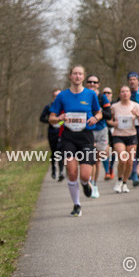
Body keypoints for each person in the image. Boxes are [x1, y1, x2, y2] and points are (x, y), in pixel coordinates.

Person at [47, 66, 103, 216]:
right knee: (72, 172)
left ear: (83, 77)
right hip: (68, 137)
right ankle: (76, 204)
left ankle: (85, 184)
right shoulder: (62, 96)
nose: (77, 76)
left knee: (84, 175)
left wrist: (95, 118)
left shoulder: (90, 94)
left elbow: (99, 113)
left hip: (86, 137)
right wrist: (58, 118)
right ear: (70, 76)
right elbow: (51, 117)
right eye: (75, 74)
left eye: (80, 74)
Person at [109, 85, 139, 193]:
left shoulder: (136, 106)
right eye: (122, 91)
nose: (125, 93)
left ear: (130, 94)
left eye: (127, 91)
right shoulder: (114, 107)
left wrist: (138, 115)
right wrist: (113, 123)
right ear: (119, 94)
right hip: (118, 136)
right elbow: (108, 121)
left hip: (132, 136)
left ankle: (124, 183)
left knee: (129, 162)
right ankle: (119, 181)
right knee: (123, 159)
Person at [83, 74, 109, 198]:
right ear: (86, 83)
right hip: (87, 131)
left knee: (97, 161)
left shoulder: (102, 97)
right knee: (90, 160)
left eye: (95, 82)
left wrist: (97, 112)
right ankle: (87, 181)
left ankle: (94, 184)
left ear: (98, 84)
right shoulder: (82, 95)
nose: (92, 84)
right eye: (90, 82)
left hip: (101, 130)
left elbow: (108, 114)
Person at [39, 88, 65, 181]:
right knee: (54, 152)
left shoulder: (65, 106)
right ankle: (54, 169)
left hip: (62, 131)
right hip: (52, 132)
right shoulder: (49, 106)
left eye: (59, 96)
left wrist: (61, 123)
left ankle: (61, 172)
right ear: (53, 97)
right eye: (55, 96)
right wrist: (50, 122)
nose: (57, 97)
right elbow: (41, 118)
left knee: (61, 152)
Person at [101, 86, 117, 181]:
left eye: (109, 92)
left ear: (111, 94)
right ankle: (107, 171)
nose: (106, 94)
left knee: (114, 151)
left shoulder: (115, 104)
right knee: (105, 150)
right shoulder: (100, 102)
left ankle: (111, 167)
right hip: (104, 128)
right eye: (105, 93)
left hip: (114, 129)